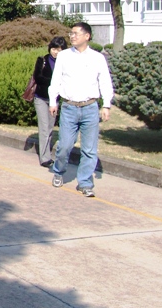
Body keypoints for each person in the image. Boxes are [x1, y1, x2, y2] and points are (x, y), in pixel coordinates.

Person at [48, 22, 114, 198]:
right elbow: (56, 80)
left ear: (87, 36)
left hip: (90, 108)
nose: (72, 36)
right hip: (69, 107)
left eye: (76, 33)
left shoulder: (97, 58)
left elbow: (105, 82)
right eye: (71, 33)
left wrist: (106, 104)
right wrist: (53, 101)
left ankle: (85, 182)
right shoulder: (64, 56)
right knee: (65, 146)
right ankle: (58, 171)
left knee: (89, 149)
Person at [32, 36, 69, 167]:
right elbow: (37, 77)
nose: (56, 52)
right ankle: (45, 158)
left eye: (59, 49)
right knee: (43, 127)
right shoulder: (42, 60)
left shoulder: (66, 63)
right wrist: (54, 82)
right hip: (41, 98)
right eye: (54, 49)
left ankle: (47, 152)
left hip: (55, 100)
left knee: (49, 128)